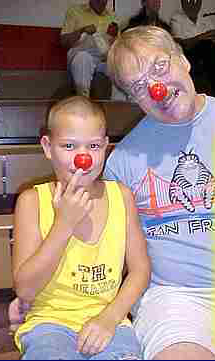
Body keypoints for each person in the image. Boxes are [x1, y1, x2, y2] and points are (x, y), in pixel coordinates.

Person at [103, 25, 215, 359]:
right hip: (174, 297)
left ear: (183, 59)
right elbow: (102, 246)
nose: (155, 88)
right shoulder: (123, 162)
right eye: (138, 86)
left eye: (159, 68)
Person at [11, 95, 150, 360]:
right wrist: (64, 224)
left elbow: (140, 270)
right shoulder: (32, 202)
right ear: (48, 147)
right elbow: (26, 289)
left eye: (94, 146)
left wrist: (110, 318)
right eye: (69, 146)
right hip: (48, 325)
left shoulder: (121, 196)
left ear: (106, 147)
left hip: (111, 322)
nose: (83, 158)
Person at [60, 0, 119, 98]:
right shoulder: (75, 11)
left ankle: (119, 106)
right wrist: (81, 30)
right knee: (83, 58)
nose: (101, 2)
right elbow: (64, 41)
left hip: (104, 60)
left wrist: (113, 38)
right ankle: (83, 101)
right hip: (80, 55)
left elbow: (117, 45)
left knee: (119, 65)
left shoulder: (113, 17)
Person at [170, 0, 215, 95]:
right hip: (190, 55)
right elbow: (183, 43)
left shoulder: (205, 17)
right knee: (204, 46)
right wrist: (203, 36)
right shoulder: (176, 18)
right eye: (188, 1)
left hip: (208, 53)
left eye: (196, 1)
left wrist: (204, 37)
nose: (192, 4)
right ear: (183, 3)